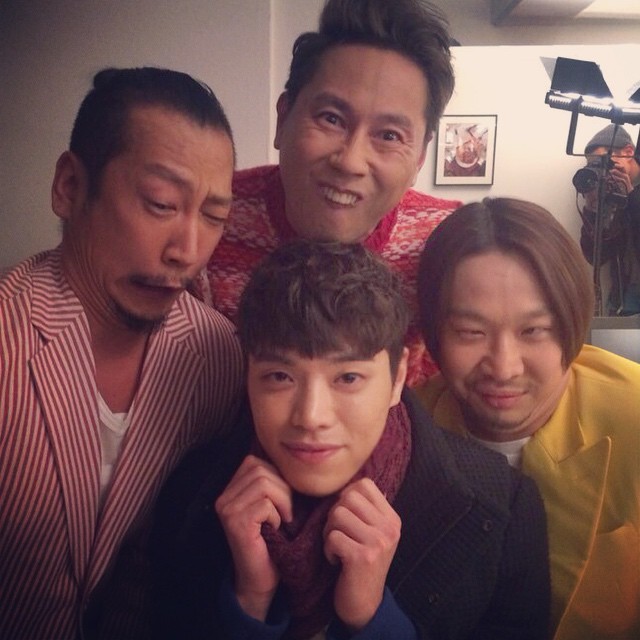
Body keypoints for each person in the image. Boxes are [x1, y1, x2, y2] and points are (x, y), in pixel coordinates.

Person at [151, 240, 551, 639]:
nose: (311, 417)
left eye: (348, 378)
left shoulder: (504, 507)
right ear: (249, 374)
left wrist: (373, 619)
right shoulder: (193, 491)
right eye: (280, 377)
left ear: (397, 378)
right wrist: (249, 602)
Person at [0, 67, 244, 639]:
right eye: (161, 203)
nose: (188, 251)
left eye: (214, 217)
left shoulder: (218, 358)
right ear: (69, 187)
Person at [194, 0, 462, 387]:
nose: (350, 162)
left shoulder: (446, 249)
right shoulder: (208, 217)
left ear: (420, 157)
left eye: (389, 136)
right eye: (331, 119)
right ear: (283, 119)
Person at [415, 197, 640, 639]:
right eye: (471, 332)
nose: (504, 367)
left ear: (573, 324)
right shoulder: (406, 434)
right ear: (434, 334)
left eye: (533, 330)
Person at [575, 123, 640, 315]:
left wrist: (631, 196)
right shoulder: (609, 193)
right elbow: (595, 257)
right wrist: (592, 207)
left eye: (604, 162)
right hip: (623, 297)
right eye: (595, 165)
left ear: (628, 152)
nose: (603, 171)